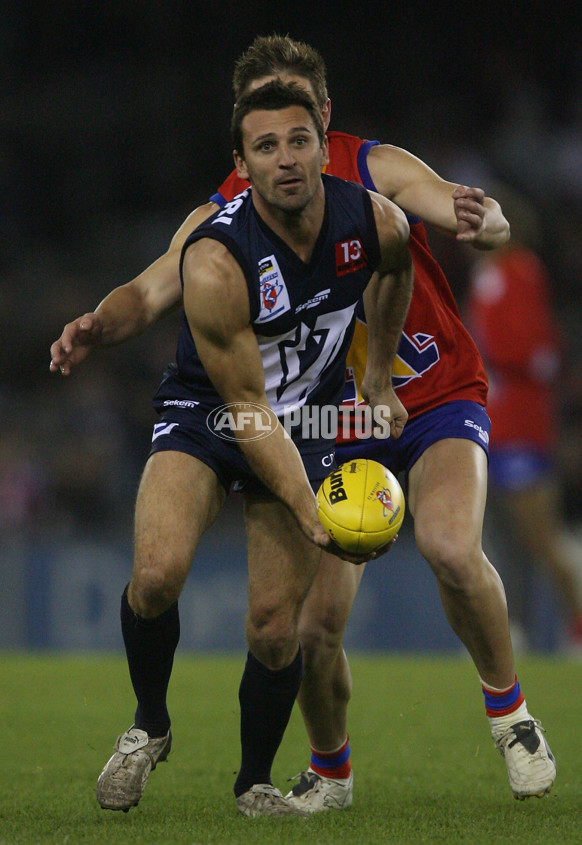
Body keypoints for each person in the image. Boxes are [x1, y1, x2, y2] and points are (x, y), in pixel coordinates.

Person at [50, 36, 556, 810]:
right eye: (263, 130)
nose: (284, 150)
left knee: (445, 547)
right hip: (293, 410)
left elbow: (441, 212)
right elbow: (158, 291)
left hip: (413, 392)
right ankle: (323, 772)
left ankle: (509, 716)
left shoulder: (369, 180)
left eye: (299, 123)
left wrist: (482, 222)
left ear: (323, 118)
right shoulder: (228, 218)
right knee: (290, 623)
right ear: (243, 138)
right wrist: (100, 321)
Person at [57, 81, 414, 818]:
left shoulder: (374, 219)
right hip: (209, 414)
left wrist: (377, 376)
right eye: (265, 146)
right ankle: (150, 724)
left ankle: (253, 781)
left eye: (297, 140)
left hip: (308, 421)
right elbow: (247, 408)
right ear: (241, 165)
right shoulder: (218, 256)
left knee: (276, 626)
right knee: (155, 576)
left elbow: (398, 266)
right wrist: (309, 511)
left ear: (323, 140)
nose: (285, 159)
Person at [465, 184, 582, 649]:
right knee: (501, 542)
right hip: (490, 424)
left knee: (540, 536)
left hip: (519, 424)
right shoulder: (488, 273)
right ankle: (510, 634)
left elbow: (531, 346)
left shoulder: (519, 270)